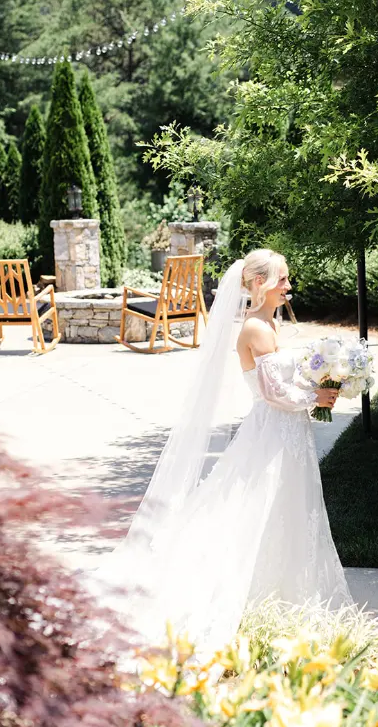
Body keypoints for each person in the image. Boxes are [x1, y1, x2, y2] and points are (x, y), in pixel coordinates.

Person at [100, 249, 352, 650]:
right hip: (272, 433)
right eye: (282, 279)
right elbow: (273, 393)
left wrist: (321, 387)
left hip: (288, 433)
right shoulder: (256, 328)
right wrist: (315, 397)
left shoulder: (269, 322)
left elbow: (286, 382)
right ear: (259, 284)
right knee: (256, 506)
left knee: (288, 507)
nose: (289, 286)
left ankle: (281, 591)